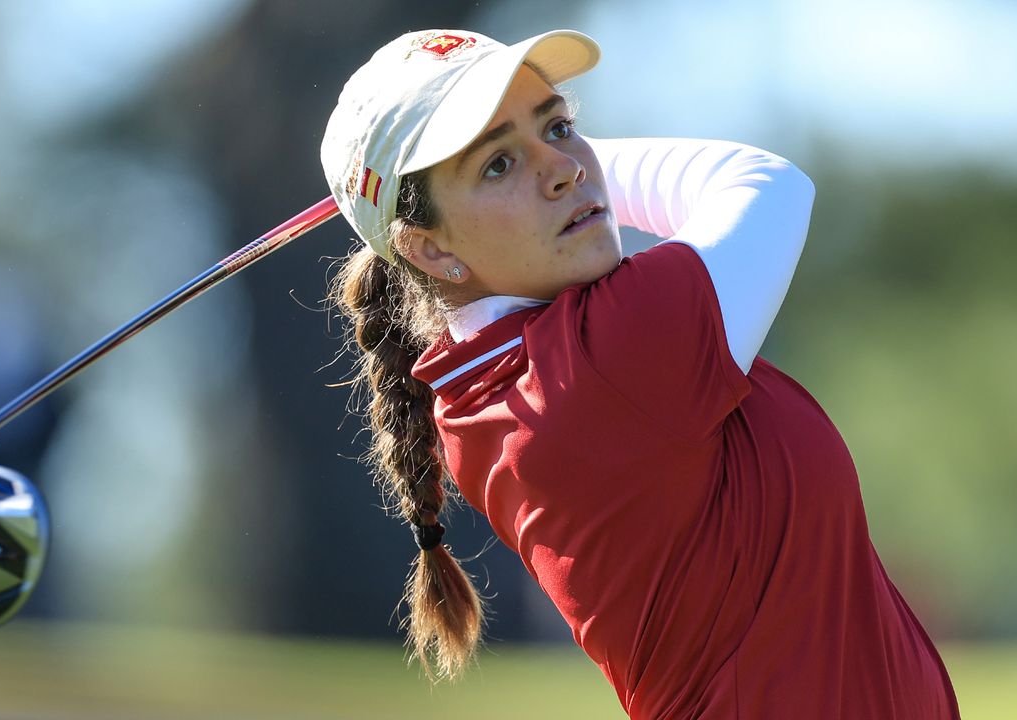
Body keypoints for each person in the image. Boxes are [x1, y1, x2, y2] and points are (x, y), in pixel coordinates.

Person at [320, 28, 959, 719]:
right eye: (496, 165)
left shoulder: (483, 386)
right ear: (429, 247)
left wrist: (538, 167)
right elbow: (765, 187)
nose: (562, 168)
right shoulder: (601, 362)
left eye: (561, 125)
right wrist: (576, 167)